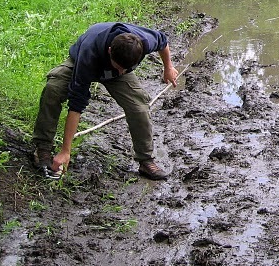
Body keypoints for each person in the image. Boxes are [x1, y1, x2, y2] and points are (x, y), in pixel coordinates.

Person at [32, 22, 179, 181]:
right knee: (53, 89)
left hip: (115, 70)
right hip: (83, 63)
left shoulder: (144, 41)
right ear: (110, 51)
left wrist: (168, 67)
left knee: (139, 107)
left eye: (126, 68)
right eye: (119, 67)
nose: (122, 71)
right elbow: (77, 103)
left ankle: (146, 160)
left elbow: (162, 41)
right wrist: (65, 151)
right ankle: (43, 148)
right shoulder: (88, 54)